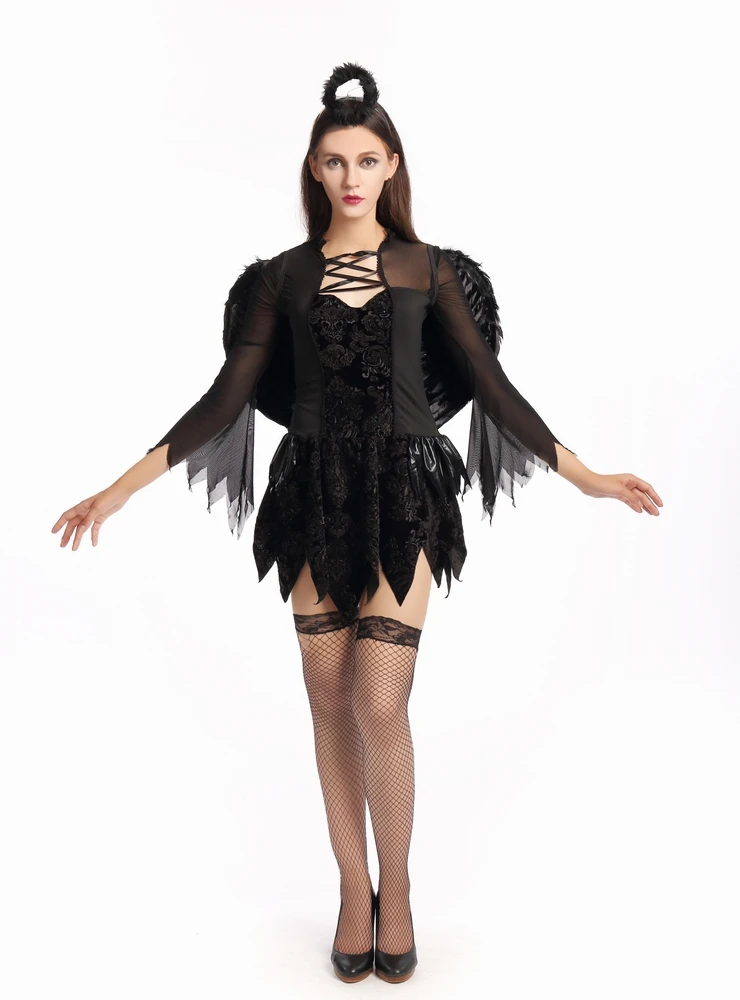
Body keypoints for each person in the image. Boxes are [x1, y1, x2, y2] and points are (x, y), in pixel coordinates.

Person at [51, 62, 663, 984]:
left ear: (391, 167)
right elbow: (224, 399)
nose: (350, 176)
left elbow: (493, 387)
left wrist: (587, 478)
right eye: (334, 161)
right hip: (311, 494)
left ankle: (399, 887)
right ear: (314, 168)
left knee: (380, 701)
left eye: (367, 160)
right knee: (328, 697)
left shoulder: (432, 270)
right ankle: (351, 886)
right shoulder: (280, 280)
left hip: (405, 493)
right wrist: (117, 489)